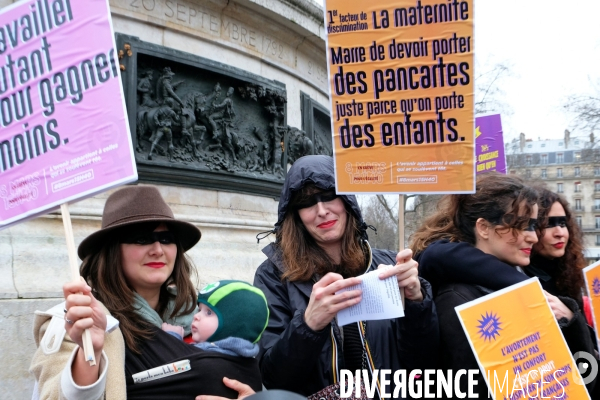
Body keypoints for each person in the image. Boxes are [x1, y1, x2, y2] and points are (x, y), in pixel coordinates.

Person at [30, 185, 256, 400]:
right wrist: (90, 353)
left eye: (166, 239)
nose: (157, 250)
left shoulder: (207, 317)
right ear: (111, 251)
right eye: (141, 239)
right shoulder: (80, 320)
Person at [253, 155, 439, 398]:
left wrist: (417, 302)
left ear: (347, 201)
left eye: (329, 195)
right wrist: (308, 325)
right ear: (294, 214)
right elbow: (274, 379)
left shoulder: (390, 264)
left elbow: (424, 363)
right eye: (306, 202)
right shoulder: (273, 276)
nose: (321, 211)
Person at [412, 173, 596, 397]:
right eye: (522, 226)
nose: (533, 238)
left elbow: (580, 377)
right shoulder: (459, 300)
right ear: (484, 228)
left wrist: (570, 319)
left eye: (533, 226)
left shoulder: (509, 284)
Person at [163, 279, 269, 359]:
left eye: (208, 313)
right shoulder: (240, 357)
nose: (196, 316)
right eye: (199, 310)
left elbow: (175, 367)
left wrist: (172, 339)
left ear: (232, 325)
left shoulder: (214, 357)